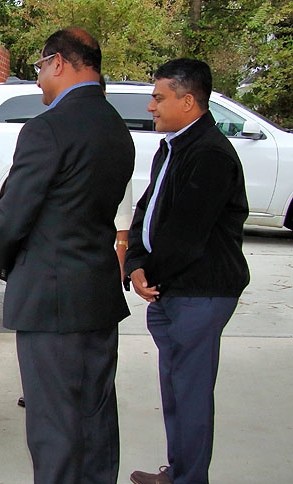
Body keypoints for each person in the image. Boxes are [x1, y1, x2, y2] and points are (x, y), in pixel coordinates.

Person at [0, 28, 134, 484]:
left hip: (50, 301)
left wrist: (5, 263)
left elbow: (12, 216)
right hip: (95, 292)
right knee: (94, 417)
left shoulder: (47, 128)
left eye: (39, 70)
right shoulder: (116, 126)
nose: (37, 83)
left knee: (54, 425)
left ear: (59, 63)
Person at [125, 58, 250, 484]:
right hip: (173, 289)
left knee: (191, 395)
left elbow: (187, 233)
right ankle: (179, 471)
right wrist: (136, 262)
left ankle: (189, 479)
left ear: (189, 101)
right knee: (176, 392)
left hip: (200, 292)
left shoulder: (211, 154)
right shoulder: (175, 145)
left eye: (159, 98)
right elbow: (147, 210)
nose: (151, 107)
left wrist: (149, 272)